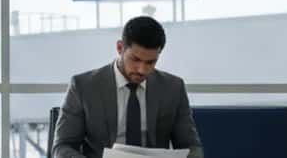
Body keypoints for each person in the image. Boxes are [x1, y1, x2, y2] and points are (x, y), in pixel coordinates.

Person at [52, 16, 203, 158]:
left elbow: (191, 146)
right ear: (120, 47)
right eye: (135, 59)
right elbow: (63, 147)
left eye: (150, 62)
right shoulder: (83, 87)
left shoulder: (173, 88)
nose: (142, 70)